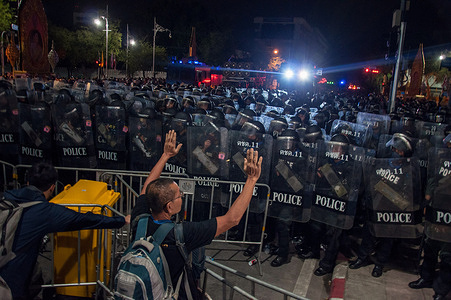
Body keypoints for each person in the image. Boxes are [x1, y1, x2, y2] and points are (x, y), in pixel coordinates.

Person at [131, 130, 262, 299]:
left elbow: (146, 188)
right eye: (179, 196)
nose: (182, 197)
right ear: (169, 207)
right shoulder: (182, 234)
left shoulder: (139, 219)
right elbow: (232, 219)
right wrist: (251, 180)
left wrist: (165, 156)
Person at [0, 162, 131, 300]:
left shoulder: (6, 197)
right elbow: (83, 219)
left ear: (27, 182)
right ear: (52, 187)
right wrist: (121, 220)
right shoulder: (44, 212)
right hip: (11, 278)